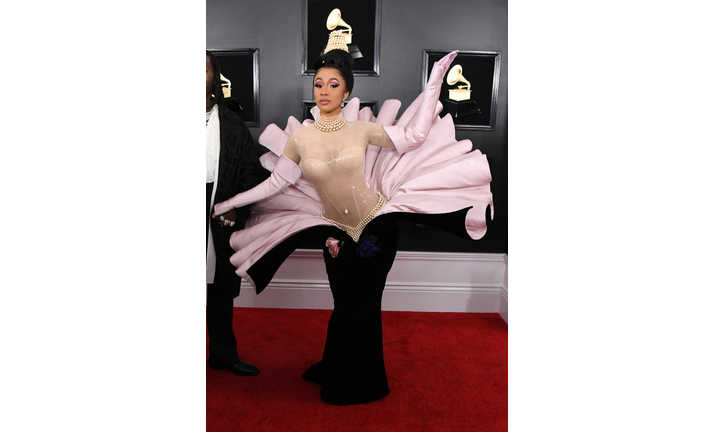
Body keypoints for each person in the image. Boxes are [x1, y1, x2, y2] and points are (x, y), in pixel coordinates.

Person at [213, 32, 493, 404]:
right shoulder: (303, 140)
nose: (324, 90)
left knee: (359, 306)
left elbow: (412, 135)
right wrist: (227, 201)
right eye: (318, 83)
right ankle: (337, 365)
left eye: (333, 84)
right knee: (346, 303)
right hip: (336, 234)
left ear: (346, 93)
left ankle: (362, 383)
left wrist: (433, 86)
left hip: (376, 228)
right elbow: (276, 184)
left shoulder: (361, 131)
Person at [206, 51, 268, 376]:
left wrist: (235, 210)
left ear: (214, 77)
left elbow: (250, 170)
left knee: (218, 286)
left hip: (219, 210)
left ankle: (223, 354)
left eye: (201, 68)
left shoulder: (231, 123)